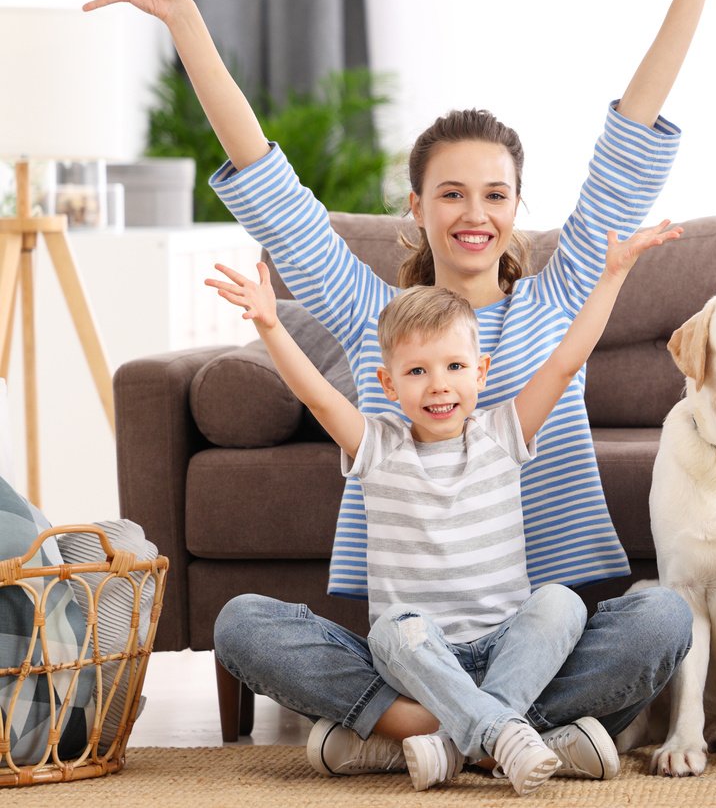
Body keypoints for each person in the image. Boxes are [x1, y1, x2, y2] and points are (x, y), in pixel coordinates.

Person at [75, 0, 716, 778]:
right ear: (413, 205)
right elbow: (268, 182)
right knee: (245, 626)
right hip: (410, 636)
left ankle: (414, 734)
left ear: (517, 206)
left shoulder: (563, 288)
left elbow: (629, 139)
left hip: (537, 620)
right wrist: (183, 16)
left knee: (659, 618)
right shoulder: (374, 313)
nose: (473, 211)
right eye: (449, 192)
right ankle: (511, 732)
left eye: (494, 194)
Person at [208, 214, 677, 792]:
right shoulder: (375, 445)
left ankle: (434, 741)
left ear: (480, 373)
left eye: (454, 367)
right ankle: (505, 735)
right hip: (411, 662)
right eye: (418, 371)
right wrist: (271, 324)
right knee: (251, 623)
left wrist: (613, 276)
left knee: (632, 611)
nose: (438, 385)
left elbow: (564, 362)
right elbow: (316, 393)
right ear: (387, 383)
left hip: (510, 651)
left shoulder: (503, 433)